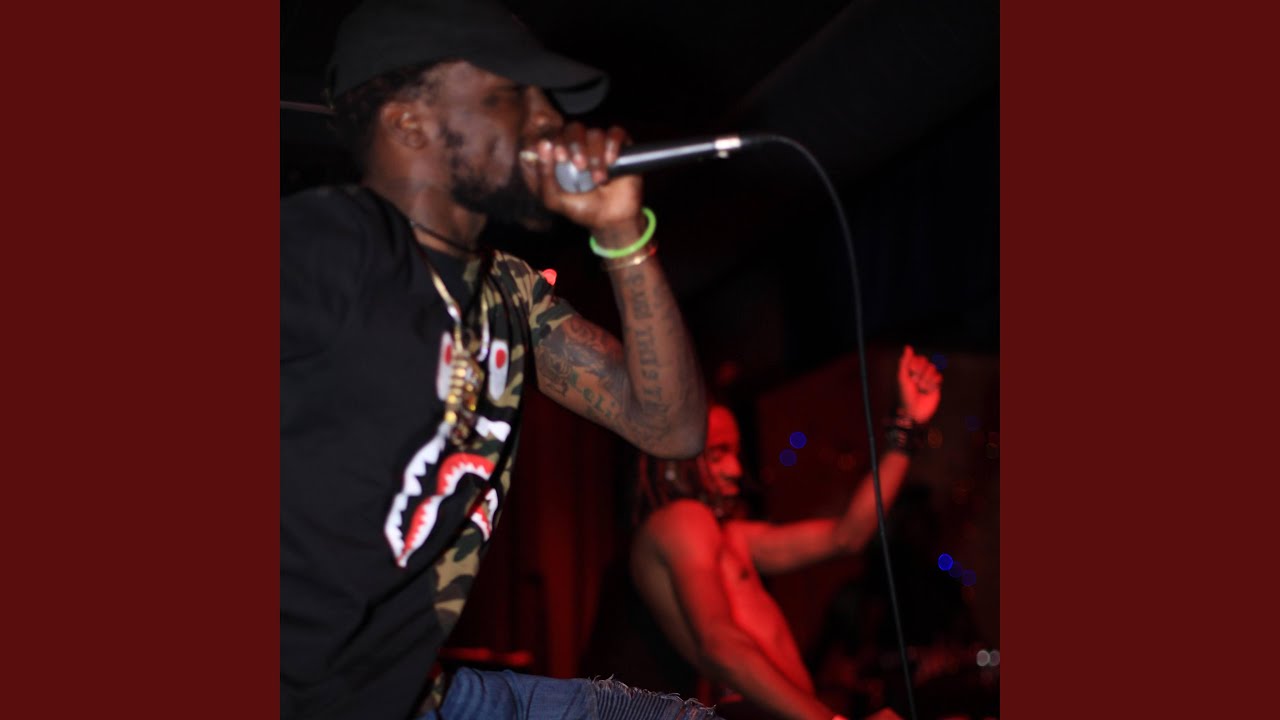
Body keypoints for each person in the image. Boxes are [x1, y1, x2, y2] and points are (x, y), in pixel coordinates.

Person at [280, 1, 711, 719]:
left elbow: (672, 428)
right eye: (514, 95)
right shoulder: (332, 246)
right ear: (409, 123)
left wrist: (622, 235)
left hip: (418, 697)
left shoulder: (508, 291)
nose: (549, 122)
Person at [587, 346, 941, 720]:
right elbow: (720, 646)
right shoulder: (680, 520)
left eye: (736, 453)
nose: (736, 469)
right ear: (673, 460)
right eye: (717, 453)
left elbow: (848, 534)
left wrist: (907, 428)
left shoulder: (731, 537)